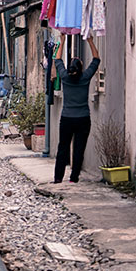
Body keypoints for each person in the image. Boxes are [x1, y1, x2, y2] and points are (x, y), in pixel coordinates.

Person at [53, 34, 100, 183]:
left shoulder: (65, 77)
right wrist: (91, 41)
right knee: (79, 149)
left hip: (67, 118)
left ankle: (58, 178)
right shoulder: (85, 77)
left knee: (63, 148)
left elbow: (57, 60)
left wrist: (62, 41)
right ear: (80, 68)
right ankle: (74, 178)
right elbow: (96, 59)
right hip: (83, 119)